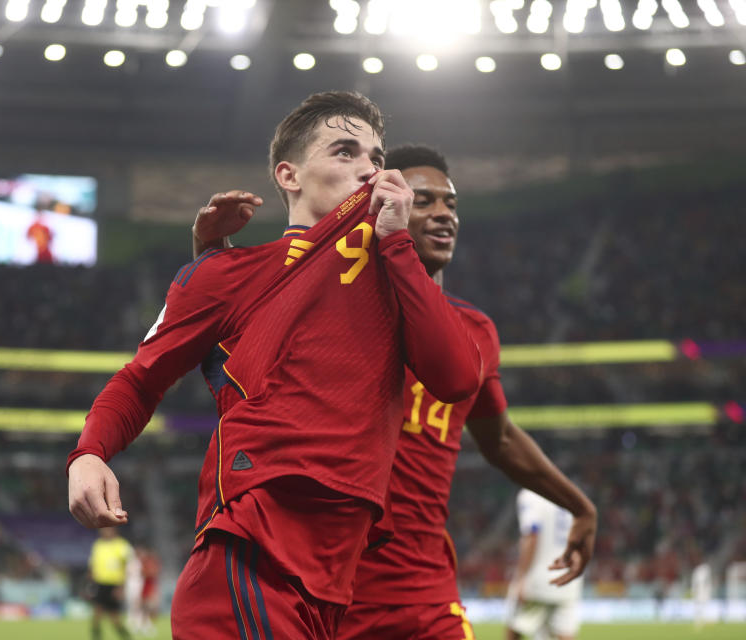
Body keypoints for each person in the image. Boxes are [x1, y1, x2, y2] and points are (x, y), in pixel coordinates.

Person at [67, 92, 483, 639]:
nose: (369, 168)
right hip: (248, 559)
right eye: (344, 151)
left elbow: (456, 379)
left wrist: (398, 245)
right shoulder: (222, 275)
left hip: (331, 587)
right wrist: (90, 452)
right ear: (289, 175)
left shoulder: (394, 269)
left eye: (378, 158)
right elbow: (140, 379)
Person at [193, 144, 597, 639]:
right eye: (423, 200)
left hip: (426, 599)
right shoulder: (330, 316)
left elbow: (501, 439)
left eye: (450, 203)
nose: (444, 213)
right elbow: (231, 366)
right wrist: (210, 258)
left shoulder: (474, 332)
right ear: (386, 206)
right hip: (326, 594)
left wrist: (579, 504)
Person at [506, 489, 586, 640]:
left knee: (514, 628)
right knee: (564, 634)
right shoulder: (570, 494)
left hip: (538, 577)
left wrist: (521, 577)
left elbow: (532, 534)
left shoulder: (531, 494)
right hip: (568, 577)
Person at [88, 527, 134, 640]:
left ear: (114, 530)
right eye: (103, 529)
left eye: (108, 529)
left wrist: (121, 587)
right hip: (100, 584)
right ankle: (96, 636)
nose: (105, 532)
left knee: (114, 616)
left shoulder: (122, 545)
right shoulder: (98, 545)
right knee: (97, 613)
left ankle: (125, 635)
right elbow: (93, 564)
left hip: (115, 584)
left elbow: (129, 566)